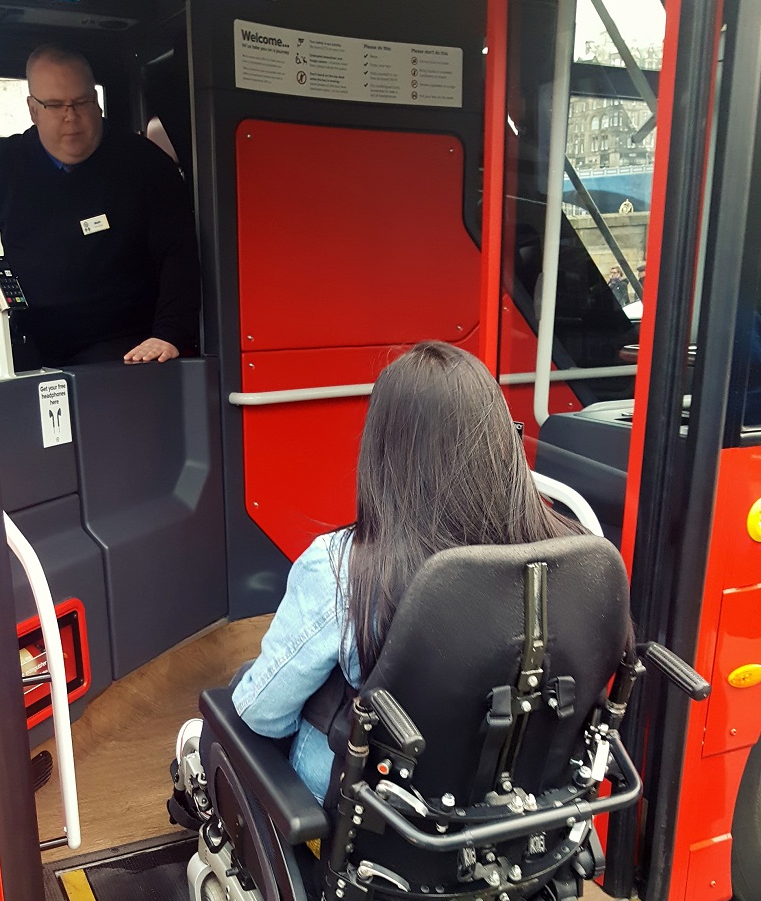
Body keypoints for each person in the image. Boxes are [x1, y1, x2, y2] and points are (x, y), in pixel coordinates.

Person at [177, 342, 581, 807]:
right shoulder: (571, 552)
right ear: (500, 440)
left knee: (233, 706)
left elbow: (262, 715)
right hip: (513, 796)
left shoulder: (343, 567)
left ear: (382, 450)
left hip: (376, 812)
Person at [0, 45, 200, 367]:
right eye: (55, 105)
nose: (71, 118)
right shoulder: (0, 164)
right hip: (32, 337)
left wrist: (170, 333)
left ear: (96, 101)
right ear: (33, 109)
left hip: (125, 343)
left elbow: (180, 252)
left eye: (81, 103)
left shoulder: (143, 164)